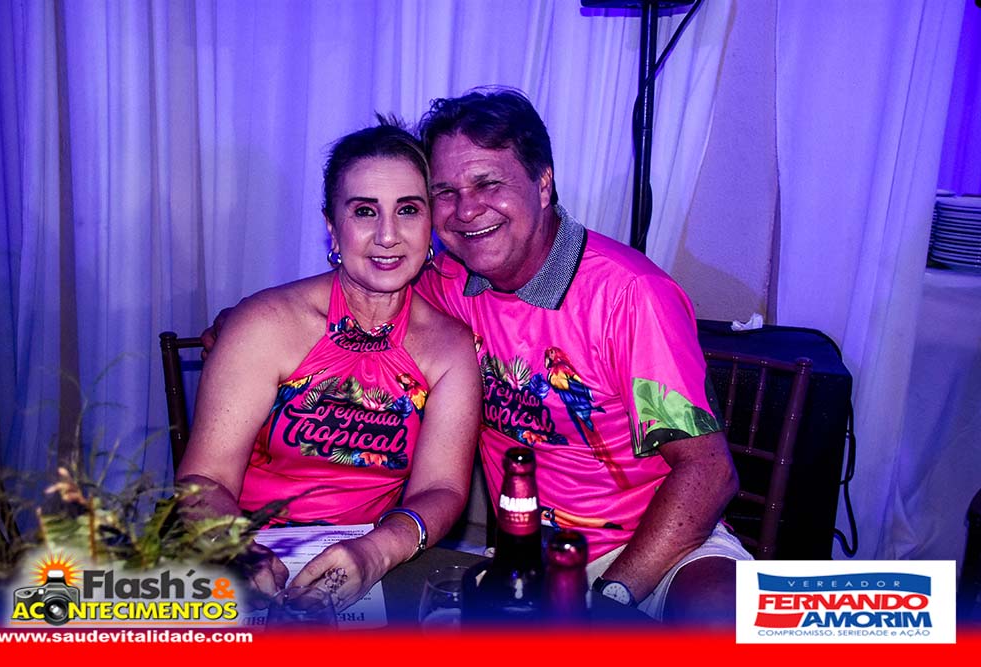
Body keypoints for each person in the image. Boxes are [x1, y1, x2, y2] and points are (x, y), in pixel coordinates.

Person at [204, 88, 749, 625]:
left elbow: (708, 470)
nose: (467, 209)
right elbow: (364, 285)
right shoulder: (447, 283)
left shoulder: (631, 296)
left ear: (543, 183)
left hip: (653, 544)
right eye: (445, 192)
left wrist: (610, 597)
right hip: (523, 554)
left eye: (488, 183)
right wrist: (242, 324)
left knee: (730, 617)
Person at [177, 120, 482, 614]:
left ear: (430, 225)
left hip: (373, 560)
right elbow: (204, 479)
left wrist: (378, 550)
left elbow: (440, 488)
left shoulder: (449, 347)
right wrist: (233, 547)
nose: (388, 235)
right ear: (332, 227)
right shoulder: (266, 324)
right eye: (364, 211)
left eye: (408, 209)